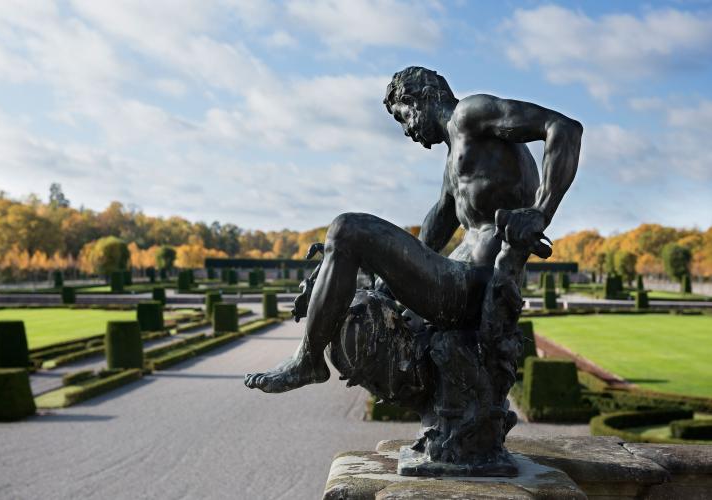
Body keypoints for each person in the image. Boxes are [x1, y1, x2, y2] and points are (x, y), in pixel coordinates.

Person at [245, 66, 581, 394]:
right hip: (458, 281)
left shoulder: (469, 114)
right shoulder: (456, 165)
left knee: (346, 227)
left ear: (419, 99)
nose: (406, 130)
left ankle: (308, 361)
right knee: (356, 271)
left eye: (401, 115)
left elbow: (563, 128)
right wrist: (362, 269)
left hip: (471, 287)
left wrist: (541, 212)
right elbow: (428, 238)